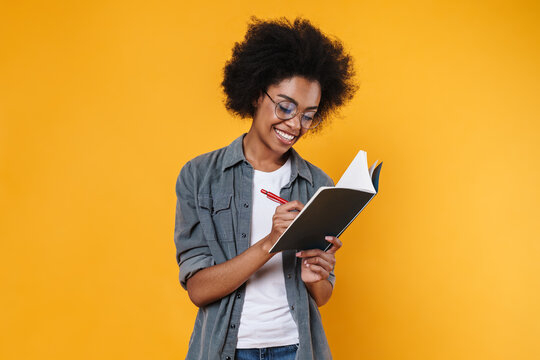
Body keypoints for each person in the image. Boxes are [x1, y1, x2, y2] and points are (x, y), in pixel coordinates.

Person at [174, 17, 357, 360]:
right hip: (226, 351)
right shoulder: (199, 176)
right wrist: (271, 243)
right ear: (257, 94)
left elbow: (321, 295)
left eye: (308, 115)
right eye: (285, 106)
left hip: (297, 349)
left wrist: (315, 273)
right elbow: (198, 289)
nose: (294, 124)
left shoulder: (319, 185)